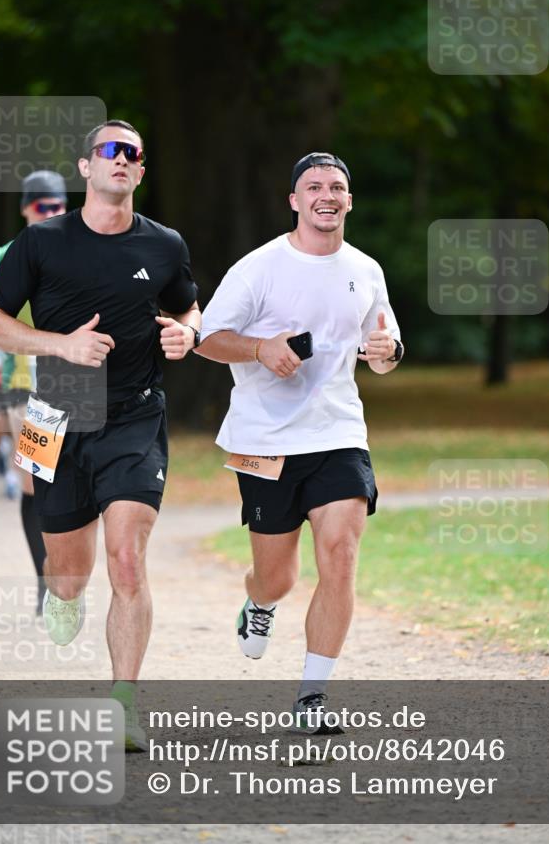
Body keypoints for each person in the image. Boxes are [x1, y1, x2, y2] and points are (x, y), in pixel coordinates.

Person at [0, 120, 200, 749]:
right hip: (52, 413)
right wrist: (61, 345)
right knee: (67, 573)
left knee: (127, 558)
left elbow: (188, 304)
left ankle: (124, 703)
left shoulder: (164, 245)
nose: (122, 160)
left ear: (140, 171)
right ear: (86, 167)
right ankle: (62, 594)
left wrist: (188, 332)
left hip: (136, 414)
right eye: (110, 150)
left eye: (133, 153)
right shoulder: (41, 241)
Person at [196, 151, 403, 731]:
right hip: (264, 438)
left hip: (338, 432)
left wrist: (387, 355)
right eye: (314, 186)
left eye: (337, 186)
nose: (326, 195)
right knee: (278, 576)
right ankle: (259, 603)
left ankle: (311, 697)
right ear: (294, 200)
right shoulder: (258, 268)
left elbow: (382, 346)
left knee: (340, 554)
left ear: (349, 200)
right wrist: (262, 348)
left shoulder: (365, 269)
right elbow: (206, 339)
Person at [0, 171, 68, 607]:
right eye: (42, 207)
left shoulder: (86, 244)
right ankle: (46, 581)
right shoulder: (4, 255)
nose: (51, 214)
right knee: (39, 482)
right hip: (31, 389)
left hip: (85, 382)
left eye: (57, 206)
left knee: (73, 479)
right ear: (25, 209)